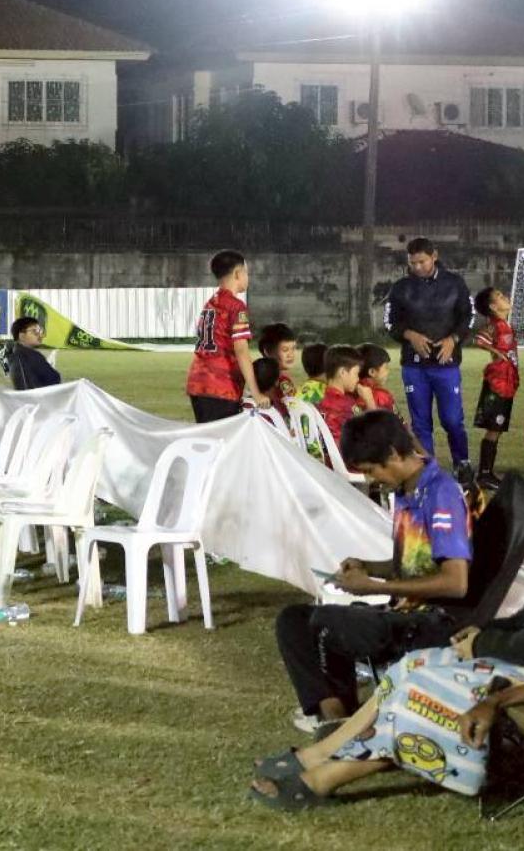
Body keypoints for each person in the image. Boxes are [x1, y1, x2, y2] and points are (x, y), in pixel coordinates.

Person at [273, 411, 471, 735]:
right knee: (292, 619)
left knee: (326, 620)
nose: (369, 480)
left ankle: (342, 724)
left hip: (432, 623)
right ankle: (336, 718)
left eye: (370, 470)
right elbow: (412, 562)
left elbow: (456, 582)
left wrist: (373, 587)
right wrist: (369, 567)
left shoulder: (440, 494)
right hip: (404, 613)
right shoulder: (407, 490)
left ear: (392, 454)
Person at [250, 618, 524, 810]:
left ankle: (323, 779)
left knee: (425, 692)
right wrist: (484, 631)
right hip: (512, 659)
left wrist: (482, 643)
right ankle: (321, 753)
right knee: (412, 665)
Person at [384, 237, 473, 476]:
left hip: (446, 365)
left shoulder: (455, 283)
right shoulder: (401, 287)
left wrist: (453, 339)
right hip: (414, 366)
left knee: (452, 419)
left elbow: (469, 317)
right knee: (421, 423)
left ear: (434, 256)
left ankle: (462, 463)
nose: (417, 267)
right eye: (412, 262)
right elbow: (389, 322)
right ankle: (428, 469)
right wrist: (410, 335)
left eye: (422, 261)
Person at [186, 249, 263, 422]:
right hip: (220, 386)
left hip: (198, 382)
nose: (247, 277)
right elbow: (241, 351)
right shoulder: (236, 306)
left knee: (208, 436)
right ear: (237, 274)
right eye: (246, 272)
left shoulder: (211, 302)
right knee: (222, 437)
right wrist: (256, 393)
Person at [472, 286, 518, 488]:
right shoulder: (496, 325)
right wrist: (497, 353)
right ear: (493, 306)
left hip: (506, 382)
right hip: (498, 383)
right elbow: (479, 339)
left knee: (497, 429)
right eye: (499, 296)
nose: (505, 297)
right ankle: (484, 475)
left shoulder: (504, 324)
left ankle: (487, 473)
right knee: (494, 428)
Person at [317, 344, 364, 447]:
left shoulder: (318, 399)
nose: (358, 379)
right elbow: (367, 432)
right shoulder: (347, 404)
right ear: (342, 372)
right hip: (344, 454)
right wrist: (369, 401)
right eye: (356, 373)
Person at [8, 316, 61, 390]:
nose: (40, 335)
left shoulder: (14, 353)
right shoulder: (33, 356)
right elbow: (55, 379)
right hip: (39, 396)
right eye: (35, 331)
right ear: (22, 335)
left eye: (40, 331)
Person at [257, 322, 299, 409]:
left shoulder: (253, 375)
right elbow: (294, 408)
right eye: (285, 350)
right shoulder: (283, 381)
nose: (291, 355)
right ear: (267, 351)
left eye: (293, 348)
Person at [355, 343, 397, 413]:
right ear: (372, 372)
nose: (388, 371)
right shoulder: (380, 396)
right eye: (386, 367)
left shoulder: (350, 392)